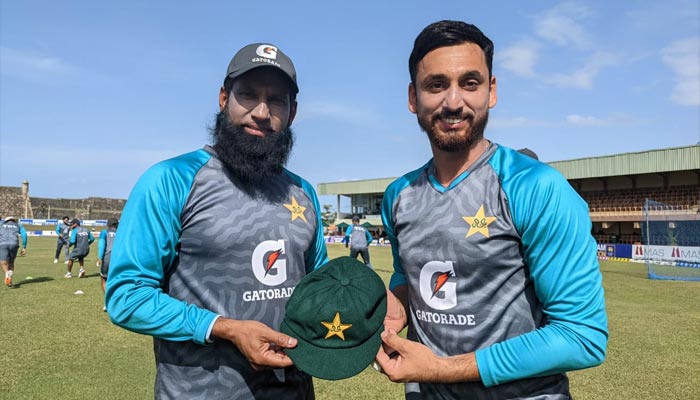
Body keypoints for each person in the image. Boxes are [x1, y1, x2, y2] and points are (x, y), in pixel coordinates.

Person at [375, 21, 608, 399]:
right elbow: (406, 273)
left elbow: (582, 336)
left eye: (470, 83)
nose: (453, 102)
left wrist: (443, 369)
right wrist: (399, 301)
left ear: (492, 91)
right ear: (413, 98)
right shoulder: (398, 196)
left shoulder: (536, 188)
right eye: (436, 85)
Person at [105, 42, 328, 399]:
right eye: (248, 95)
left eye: (277, 100)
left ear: (293, 112)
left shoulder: (303, 192)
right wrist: (224, 328)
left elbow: (320, 291)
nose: (261, 111)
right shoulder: (170, 180)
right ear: (223, 98)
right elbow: (127, 297)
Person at [97, 218, 118, 309]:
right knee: (117, 280)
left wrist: (100, 257)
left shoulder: (104, 232)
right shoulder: (122, 232)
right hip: (120, 258)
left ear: (108, 225)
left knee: (104, 278)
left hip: (108, 257)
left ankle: (107, 302)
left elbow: (101, 244)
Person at [0, 216, 27, 287]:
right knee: (11, 262)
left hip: (3, 244)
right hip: (14, 244)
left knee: (3, 263)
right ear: (14, 220)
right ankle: (10, 276)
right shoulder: (18, 225)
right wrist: (24, 247)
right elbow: (24, 235)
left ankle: (6, 274)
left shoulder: (1, 224)